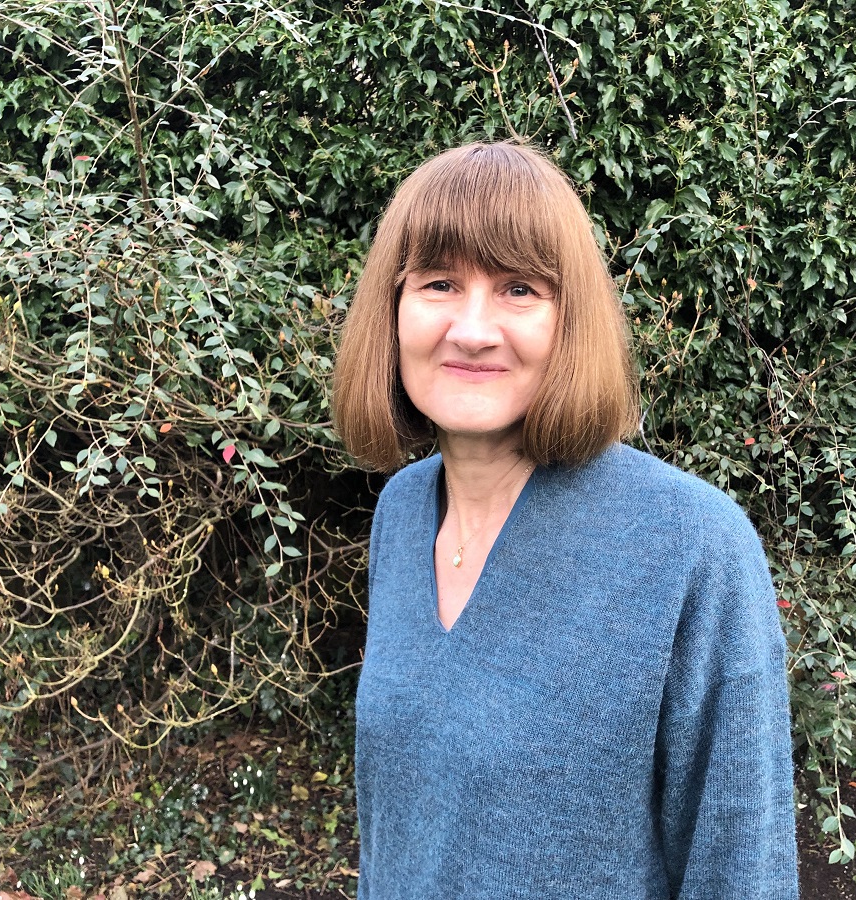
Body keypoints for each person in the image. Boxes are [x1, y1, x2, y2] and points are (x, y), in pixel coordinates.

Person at [331, 141, 799, 899]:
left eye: (520, 289)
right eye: (440, 282)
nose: (474, 329)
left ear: (568, 322)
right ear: (391, 309)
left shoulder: (692, 547)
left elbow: (740, 871)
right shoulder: (403, 512)